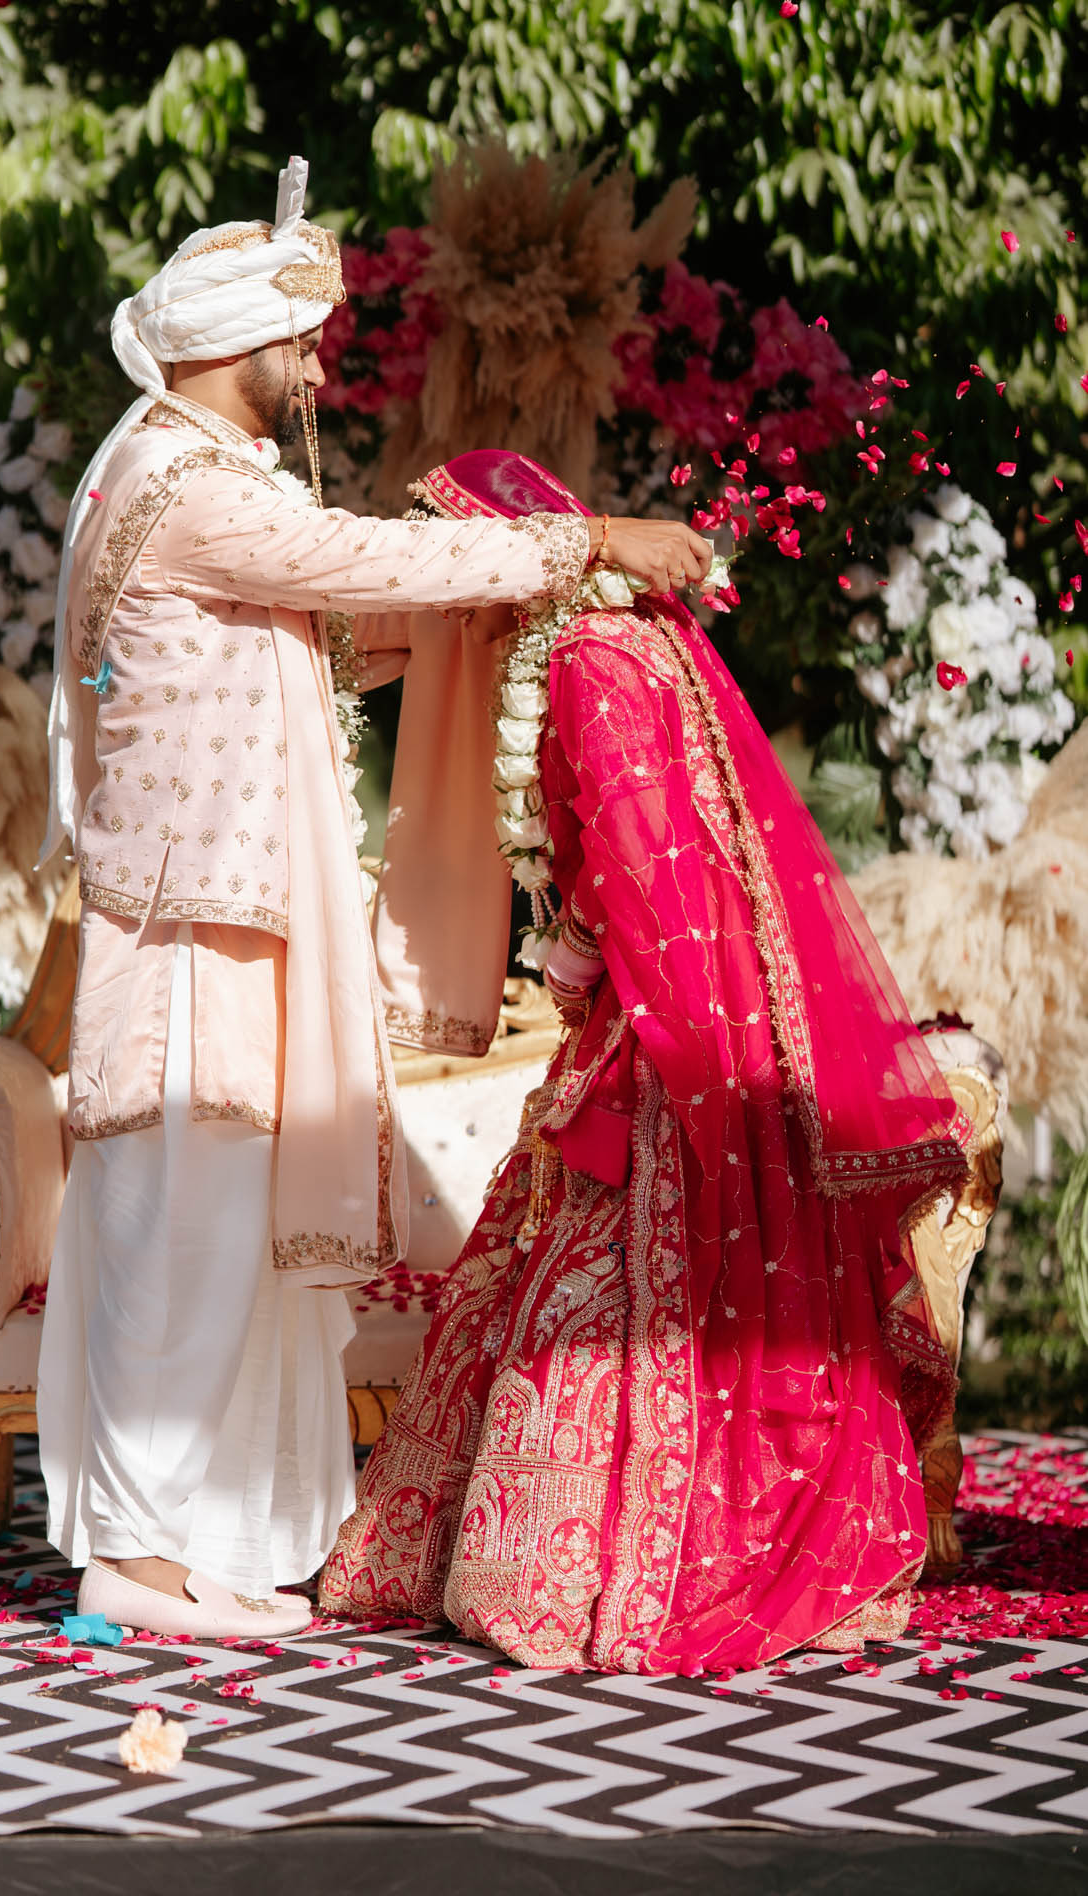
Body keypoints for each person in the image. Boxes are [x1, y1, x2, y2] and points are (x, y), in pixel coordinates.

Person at [36, 162, 714, 1642]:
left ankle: (189, 1545)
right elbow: (351, 561)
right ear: (234, 340)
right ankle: (136, 1561)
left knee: (213, 1237)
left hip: (214, 925)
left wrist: (473, 616)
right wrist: (590, 540)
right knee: (182, 1238)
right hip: (192, 941)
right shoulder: (185, 484)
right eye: (300, 342)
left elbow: (317, 643)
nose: (314, 369)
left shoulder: (168, 471)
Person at [320, 449, 973, 1675]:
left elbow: (642, 863)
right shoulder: (625, 635)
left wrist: (575, 968)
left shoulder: (581, 657)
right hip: (691, 1015)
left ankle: (603, 1575)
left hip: (665, 1033)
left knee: (608, 1301)